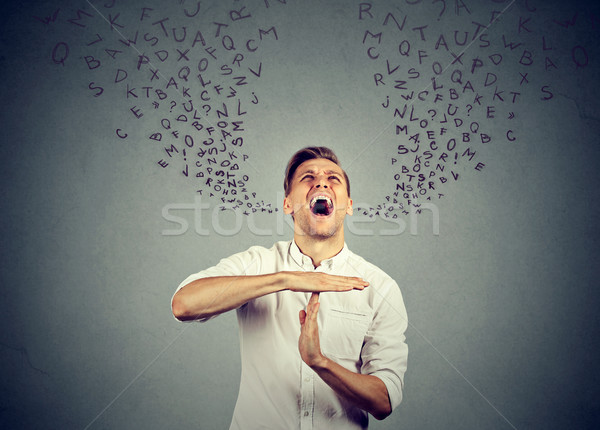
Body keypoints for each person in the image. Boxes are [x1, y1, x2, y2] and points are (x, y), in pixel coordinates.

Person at [172, 147, 408, 429]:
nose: (321, 182)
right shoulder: (260, 262)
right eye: (308, 177)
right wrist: (285, 279)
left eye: (333, 178)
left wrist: (320, 363)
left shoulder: (379, 287)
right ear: (287, 205)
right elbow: (184, 304)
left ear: (349, 204)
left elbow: (383, 401)